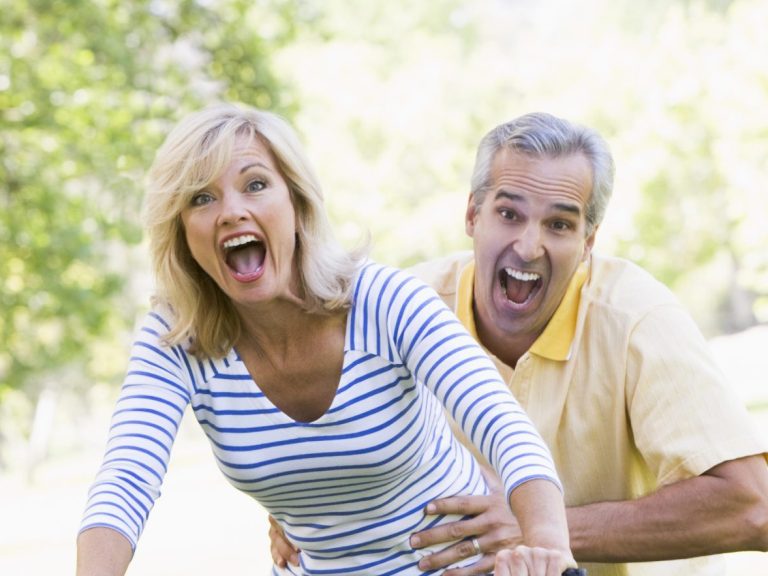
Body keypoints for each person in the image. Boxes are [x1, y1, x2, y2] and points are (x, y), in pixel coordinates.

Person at [76, 103, 581, 576]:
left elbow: (504, 427)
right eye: (201, 198)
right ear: (182, 230)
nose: (230, 211)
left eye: (254, 185)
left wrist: (549, 551)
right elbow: (126, 478)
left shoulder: (385, 300)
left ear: (295, 203)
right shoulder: (177, 336)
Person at [270, 112, 768, 575]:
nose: (530, 247)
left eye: (559, 224)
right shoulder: (402, 310)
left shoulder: (637, 320)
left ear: (589, 240)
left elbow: (753, 506)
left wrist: (536, 527)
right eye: (509, 214)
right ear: (472, 215)